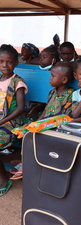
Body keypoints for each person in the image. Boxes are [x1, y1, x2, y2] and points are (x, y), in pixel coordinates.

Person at [9, 62, 74, 180]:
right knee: (26, 131)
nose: (50, 78)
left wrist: (44, 125)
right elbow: (46, 110)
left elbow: (66, 116)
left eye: (53, 76)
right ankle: (26, 160)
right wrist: (36, 122)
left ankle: (27, 164)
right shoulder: (52, 92)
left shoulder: (70, 94)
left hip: (56, 126)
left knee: (35, 136)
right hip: (43, 124)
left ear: (64, 79)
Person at [0, 44, 27, 193]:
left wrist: (2, 121)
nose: (5, 65)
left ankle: (3, 178)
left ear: (16, 63)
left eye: (9, 62)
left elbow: (20, 109)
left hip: (11, 122)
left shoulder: (18, 82)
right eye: (1, 61)